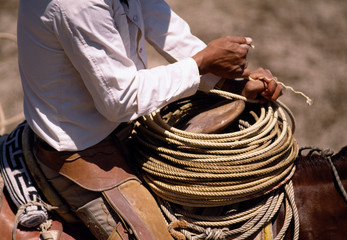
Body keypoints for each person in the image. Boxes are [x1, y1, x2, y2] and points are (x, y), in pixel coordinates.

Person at [16, 0, 283, 239]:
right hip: (82, 148)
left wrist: (229, 82)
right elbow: (120, 101)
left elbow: (164, 26)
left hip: (122, 122)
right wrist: (202, 62)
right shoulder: (76, 4)